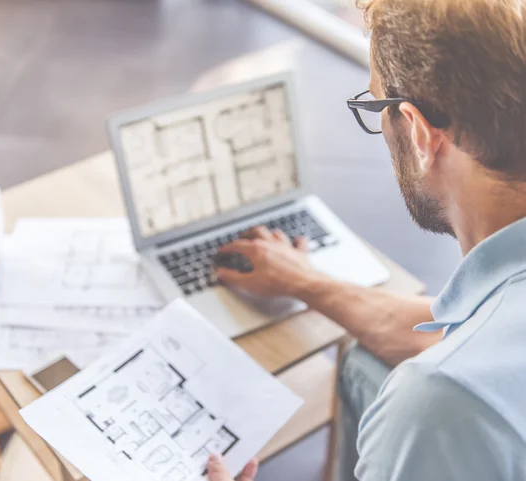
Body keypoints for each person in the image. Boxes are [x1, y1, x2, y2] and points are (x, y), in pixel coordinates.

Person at [207, 0, 526, 479]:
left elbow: (451, 371)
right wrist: (306, 282)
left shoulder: (437, 403)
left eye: (377, 105)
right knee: (363, 359)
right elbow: (457, 328)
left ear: (420, 133)